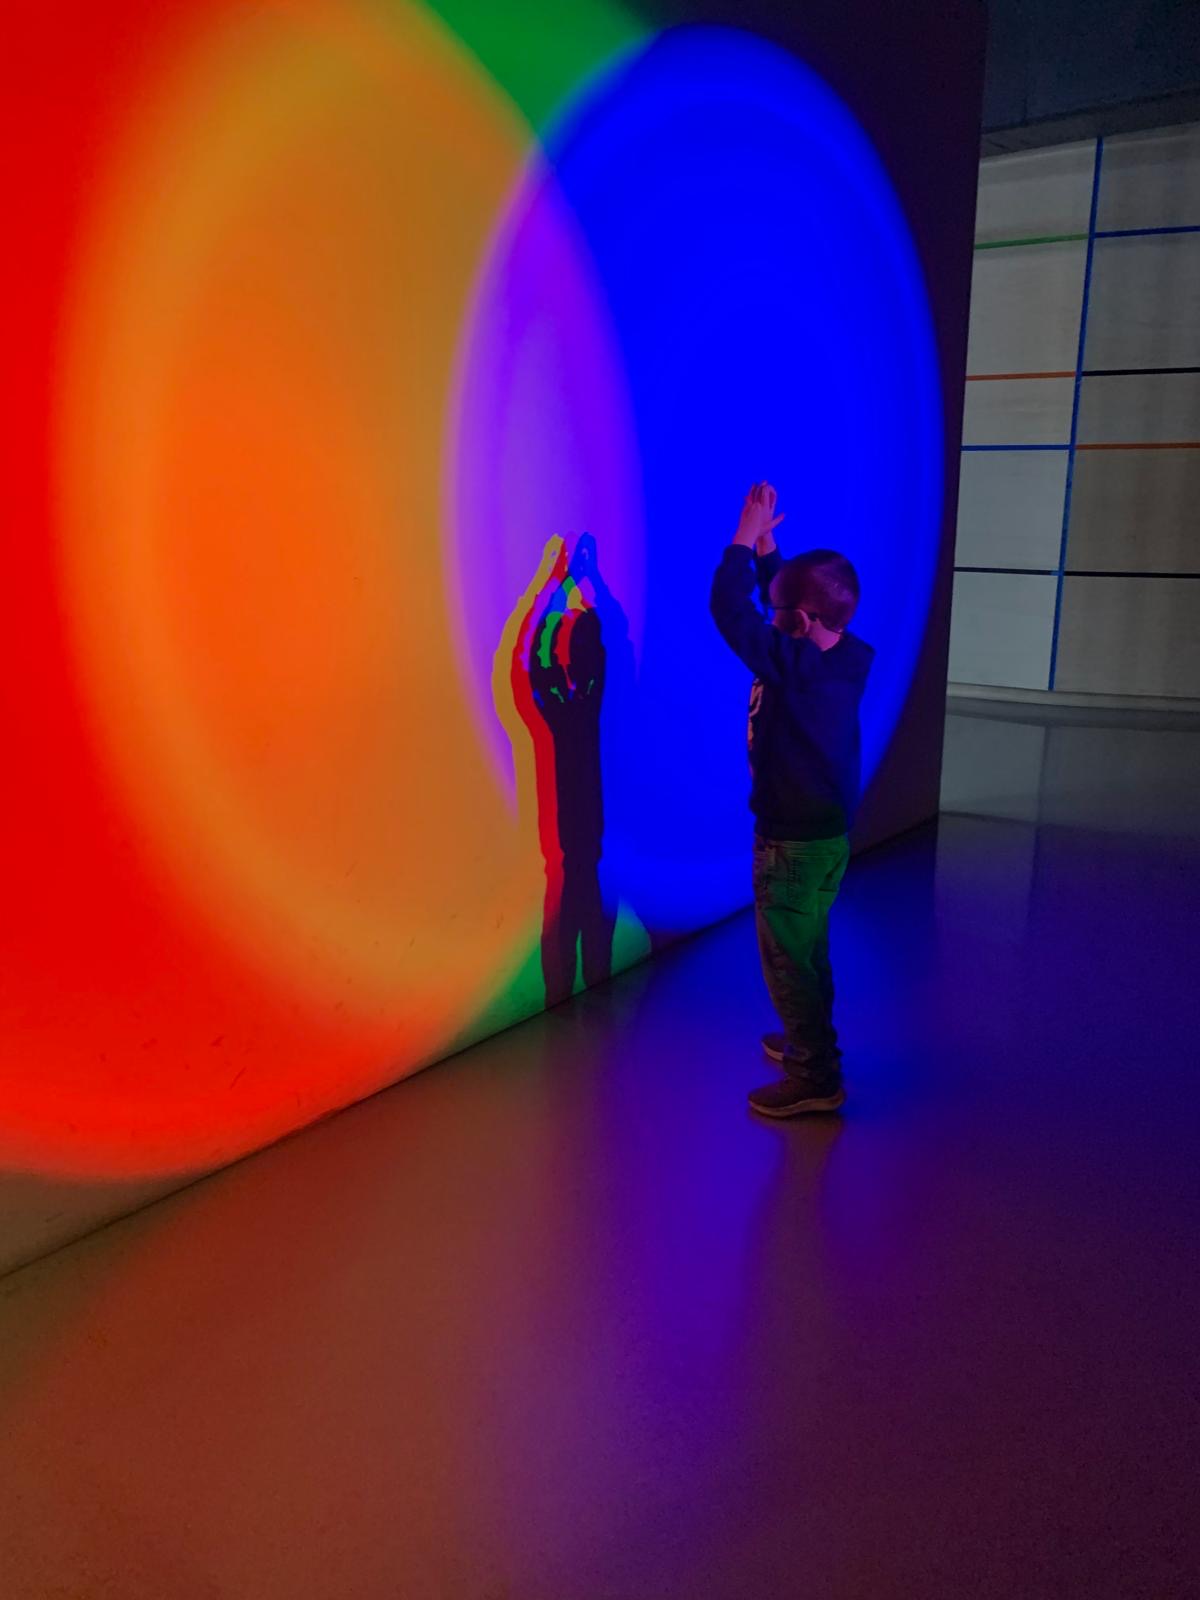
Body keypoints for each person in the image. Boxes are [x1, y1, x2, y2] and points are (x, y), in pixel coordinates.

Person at [710, 482, 874, 1118]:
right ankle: (810, 1041)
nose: (770, 616)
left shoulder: (794, 668)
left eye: (778, 612)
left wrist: (741, 538)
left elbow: (730, 610)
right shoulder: (840, 656)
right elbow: (787, 606)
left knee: (788, 963)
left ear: (799, 623)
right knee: (807, 951)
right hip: (824, 840)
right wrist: (769, 552)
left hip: (791, 846)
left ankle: (814, 1074)